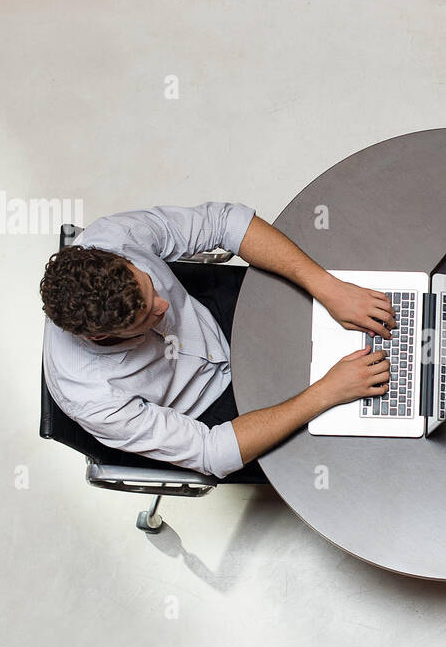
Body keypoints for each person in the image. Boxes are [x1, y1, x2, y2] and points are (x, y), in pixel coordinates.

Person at [40, 201, 395, 478]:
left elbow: (225, 222)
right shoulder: (92, 399)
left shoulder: (114, 237)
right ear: (102, 335)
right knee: (360, 444)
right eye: (147, 316)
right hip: (212, 408)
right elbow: (212, 452)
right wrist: (326, 392)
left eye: (150, 287)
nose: (163, 306)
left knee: (361, 305)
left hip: (212, 313)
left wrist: (327, 287)